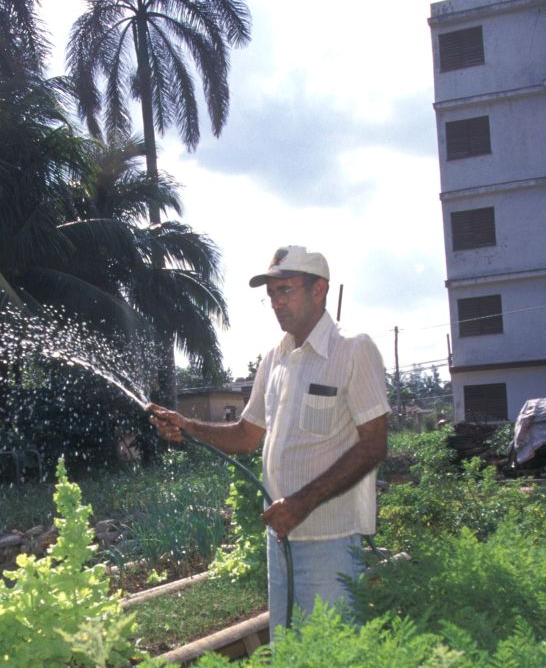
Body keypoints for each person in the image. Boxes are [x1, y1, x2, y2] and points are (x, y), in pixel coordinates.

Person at [147, 245, 389, 635]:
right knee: (289, 656)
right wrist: (188, 426)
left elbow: (374, 445)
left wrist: (302, 502)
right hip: (281, 540)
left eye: (286, 290)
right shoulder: (274, 359)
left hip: (329, 538)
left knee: (333, 659)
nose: (277, 302)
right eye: (271, 294)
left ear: (319, 290)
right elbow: (246, 435)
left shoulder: (351, 349)